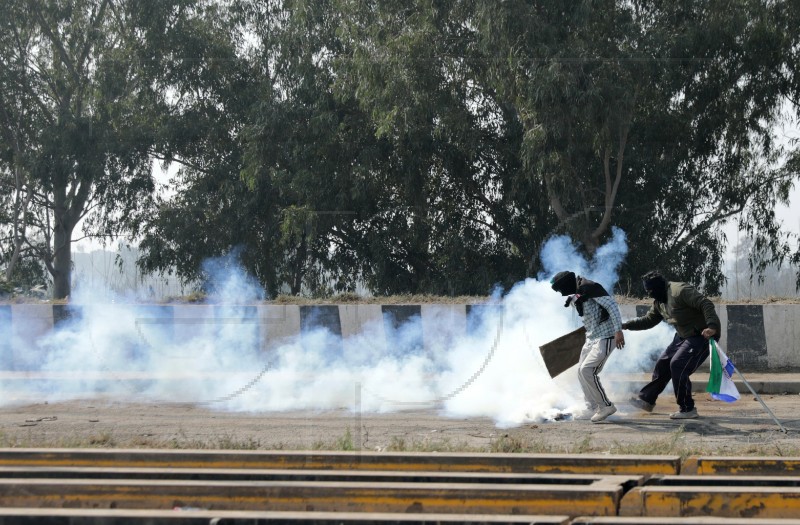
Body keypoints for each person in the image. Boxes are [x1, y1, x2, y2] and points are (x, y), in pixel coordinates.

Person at [622, 270, 721, 420]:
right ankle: (647, 400)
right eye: (647, 291)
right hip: (682, 336)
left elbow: (705, 303)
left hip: (702, 334)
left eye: (651, 290)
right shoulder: (659, 302)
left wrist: (712, 326)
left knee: (678, 365)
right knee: (663, 364)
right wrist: (626, 325)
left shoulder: (679, 291)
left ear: (659, 287)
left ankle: (687, 408)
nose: (649, 294)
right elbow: (649, 320)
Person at [550, 271, 625, 423]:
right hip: (591, 338)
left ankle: (605, 406)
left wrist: (618, 331)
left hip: (606, 336)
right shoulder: (579, 291)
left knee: (588, 370)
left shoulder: (590, 287)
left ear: (565, 285)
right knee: (580, 372)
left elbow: (611, 305)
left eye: (560, 290)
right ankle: (591, 407)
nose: (561, 294)